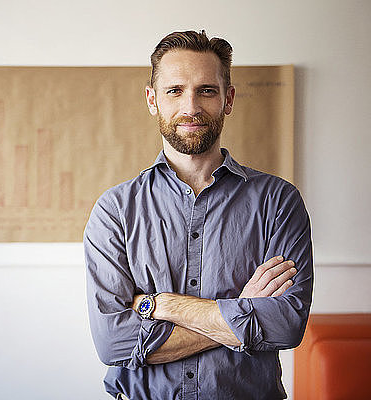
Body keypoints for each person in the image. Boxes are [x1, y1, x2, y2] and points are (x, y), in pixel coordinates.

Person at [84, 30, 313, 400]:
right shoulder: (115, 211)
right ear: (152, 99)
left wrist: (161, 305)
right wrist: (241, 311)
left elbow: (285, 326)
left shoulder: (278, 201)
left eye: (206, 90)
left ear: (228, 99)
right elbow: (113, 343)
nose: (190, 106)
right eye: (175, 90)